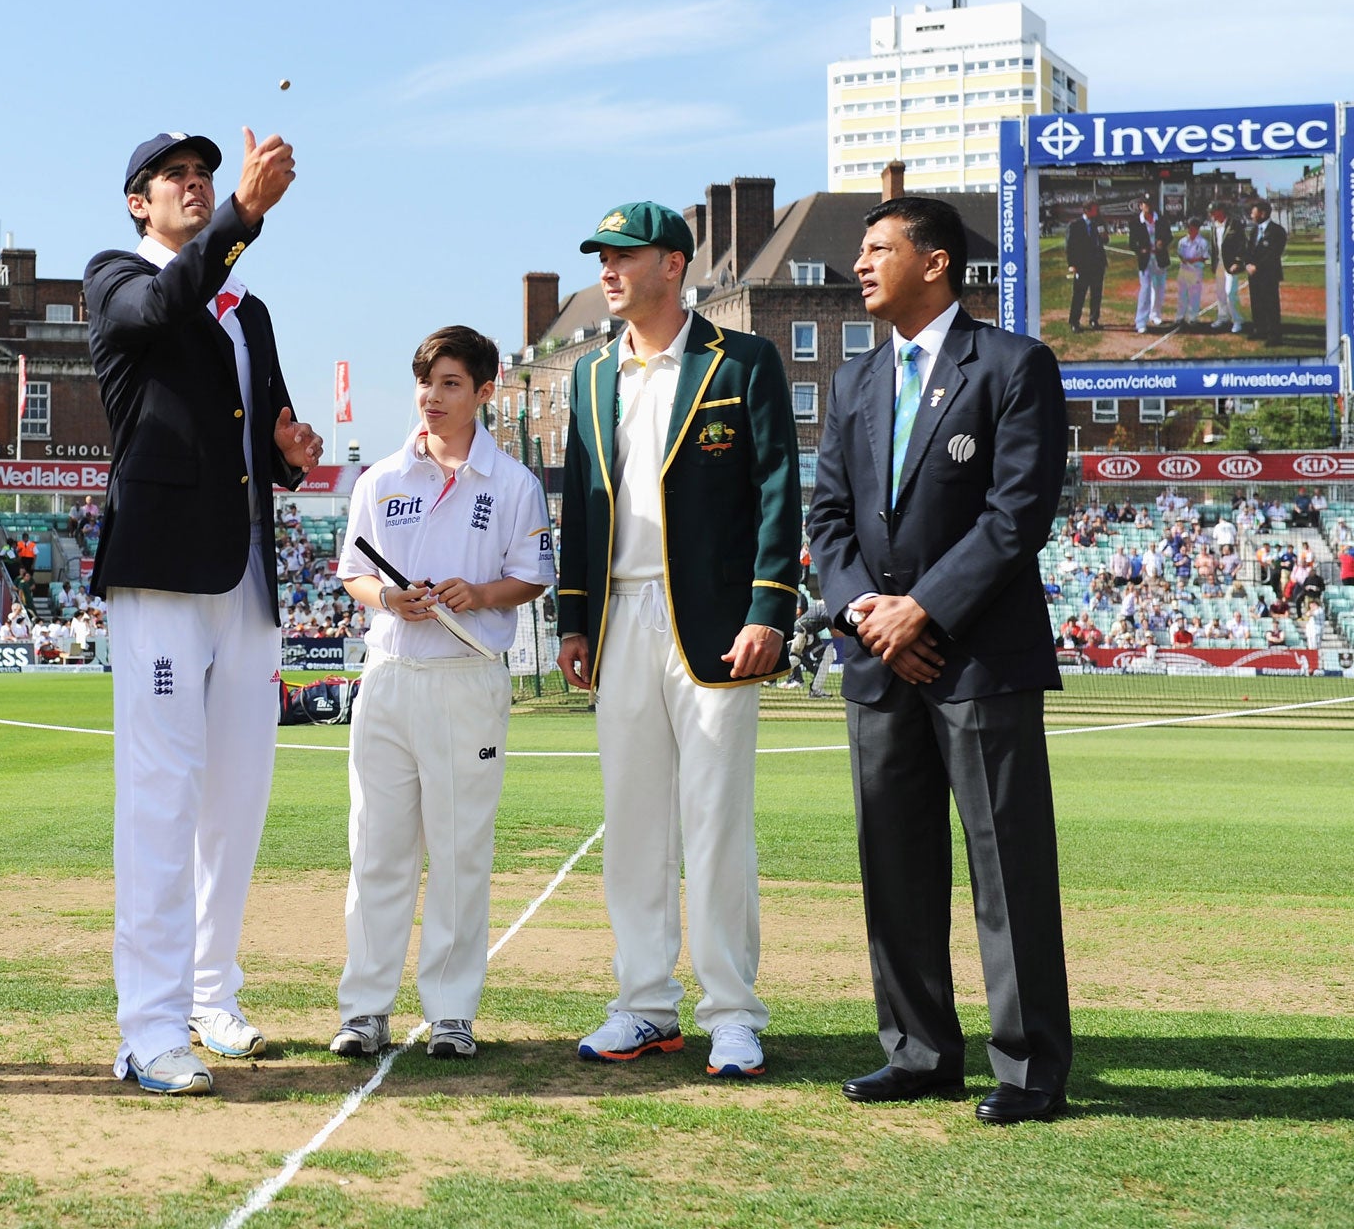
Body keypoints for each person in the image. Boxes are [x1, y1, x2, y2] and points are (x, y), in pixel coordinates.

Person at [805, 194, 1073, 1126]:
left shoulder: (1011, 365)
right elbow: (829, 518)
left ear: (937, 263)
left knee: (1007, 868)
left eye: (878, 249)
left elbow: (1018, 515)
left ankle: (1030, 1067)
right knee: (895, 864)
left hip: (977, 661)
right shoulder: (852, 383)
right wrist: (866, 614)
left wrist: (926, 612)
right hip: (880, 664)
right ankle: (918, 1052)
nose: (860, 266)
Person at [83, 127, 321, 1096]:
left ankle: (211, 995)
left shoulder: (244, 308)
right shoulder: (117, 276)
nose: (194, 186)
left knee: (233, 802)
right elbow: (165, 302)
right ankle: (146, 1028)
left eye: (205, 177)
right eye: (174, 178)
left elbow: (257, 434)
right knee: (160, 797)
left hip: (245, 578)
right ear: (138, 202)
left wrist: (287, 451)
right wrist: (244, 217)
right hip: (162, 571)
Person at [555, 202, 801, 1080]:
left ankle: (733, 1013)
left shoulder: (744, 359)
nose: (607, 270)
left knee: (716, 823)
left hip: (714, 623)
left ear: (674, 264)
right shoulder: (587, 375)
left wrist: (770, 609)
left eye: (624, 255)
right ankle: (643, 1006)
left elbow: (779, 484)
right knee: (633, 822)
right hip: (620, 618)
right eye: (601, 255)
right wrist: (574, 617)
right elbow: (581, 501)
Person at [328, 326, 554, 1061]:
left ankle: (452, 1011)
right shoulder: (381, 478)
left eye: (451, 383)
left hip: (467, 680)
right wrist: (389, 600)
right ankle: (365, 1010)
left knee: (460, 850)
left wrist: (476, 591)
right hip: (389, 676)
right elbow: (353, 575)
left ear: (485, 391)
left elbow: (532, 575)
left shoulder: (514, 484)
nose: (432, 396)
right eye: (426, 381)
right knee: (377, 850)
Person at [1243, 202, 1287, 344]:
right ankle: (1259, 330)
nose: (1251, 215)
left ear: (1262, 213)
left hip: (1268, 274)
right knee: (1256, 303)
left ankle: (1274, 335)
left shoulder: (1277, 231)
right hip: (1254, 274)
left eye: (1253, 212)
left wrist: (1257, 266)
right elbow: (1249, 249)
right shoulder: (1254, 230)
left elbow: (1273, 254)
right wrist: (1248, 264)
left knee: (1270, 304)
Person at [1063, 202, 1107, 331]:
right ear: (1087, 210)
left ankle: (1094, 320)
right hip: (1082, 266)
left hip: (1097, 265)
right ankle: (1074, 322)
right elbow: (1069, 246)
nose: (1097, 212)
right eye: (1094, 210)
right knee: (1079, 294)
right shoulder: (1075, 225)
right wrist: (1072, 264)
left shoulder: (1098, 223)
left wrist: (1104, 235)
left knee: (1096, 294)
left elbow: (1105, 240)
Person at [1129, 198, 1171, 334]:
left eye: (1150, 204)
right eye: (1145, 204)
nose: (1148, 207)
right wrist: (1140, 250)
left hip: (1160, 258)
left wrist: (1162, 242)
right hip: (1145, 260)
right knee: (1145, 290)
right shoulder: (1135, 222)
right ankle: (1141, 322)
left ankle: (1156, 314)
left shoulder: (1162, 220)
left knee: (1159, 288)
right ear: (1141, 206)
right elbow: (1132, 243)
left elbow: (1169, 236)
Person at [1206, 202, 1244, 333]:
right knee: (1221, 293)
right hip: (1219, 264)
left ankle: (1237, 320)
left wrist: (1238, 262)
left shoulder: (1235, 224)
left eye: (1213, 212)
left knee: (1230, 293)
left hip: (1231, 264)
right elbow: (1214, 246)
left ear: (1220, 211)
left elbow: (1242, 243)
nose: (1211, 215)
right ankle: (1223, 317)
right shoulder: (1213, 226)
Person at [1174, 217, 1210, 328]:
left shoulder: (1203, 242)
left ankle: (1192, 318)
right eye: (1188, 227)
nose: (1189, 230)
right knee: (1182, 294)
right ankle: (1180, 317)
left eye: (1191, 227)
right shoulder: (1183, 241)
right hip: (1184, 269)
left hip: (1196, 269)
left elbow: (1205, 257)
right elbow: (1179, 253)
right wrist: (1183, 259)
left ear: (1196, 228)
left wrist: (1193, 260)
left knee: (1194, 295)